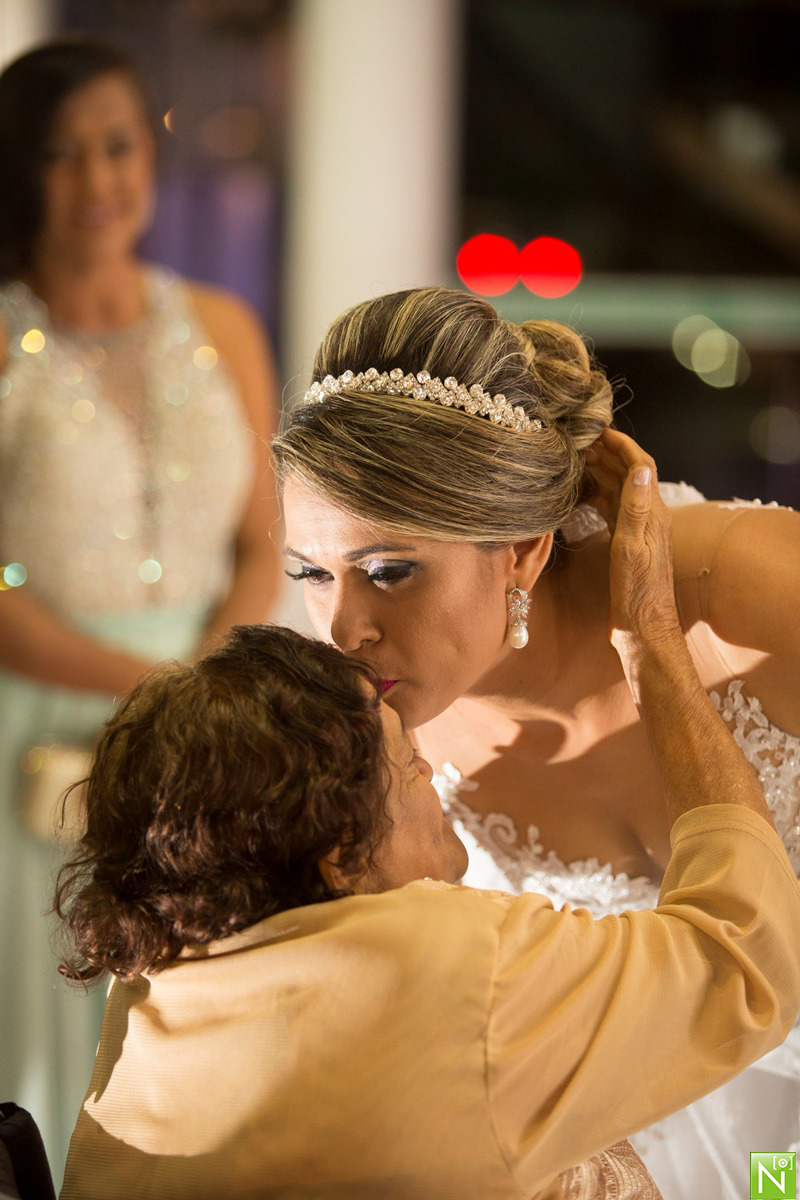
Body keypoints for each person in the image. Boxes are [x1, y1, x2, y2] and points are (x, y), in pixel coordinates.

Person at [56, 448, 800, 1200]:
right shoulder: (457, 975)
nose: (345, 627)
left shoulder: (157, 983)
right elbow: (744, 957)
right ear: (337, 856)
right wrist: (650, 640)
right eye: (409, 769)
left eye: (385, 570)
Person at [272, 285, 800, 1198]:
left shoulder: (753, 595)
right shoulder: (385, 747)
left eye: (390, 570)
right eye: (314, 573)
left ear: (519, 548)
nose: (342, 629)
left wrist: (652, 648)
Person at [0, 36, 281, 1184]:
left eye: (118, 144)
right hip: (40, 727)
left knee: (194, 998)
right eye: (61, 155)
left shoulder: (221, 324)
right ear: (21, 174)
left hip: (203, 724)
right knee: (43, 1004)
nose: (98, 179)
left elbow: (265, 537)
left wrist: (203, 687)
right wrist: (148, 693)